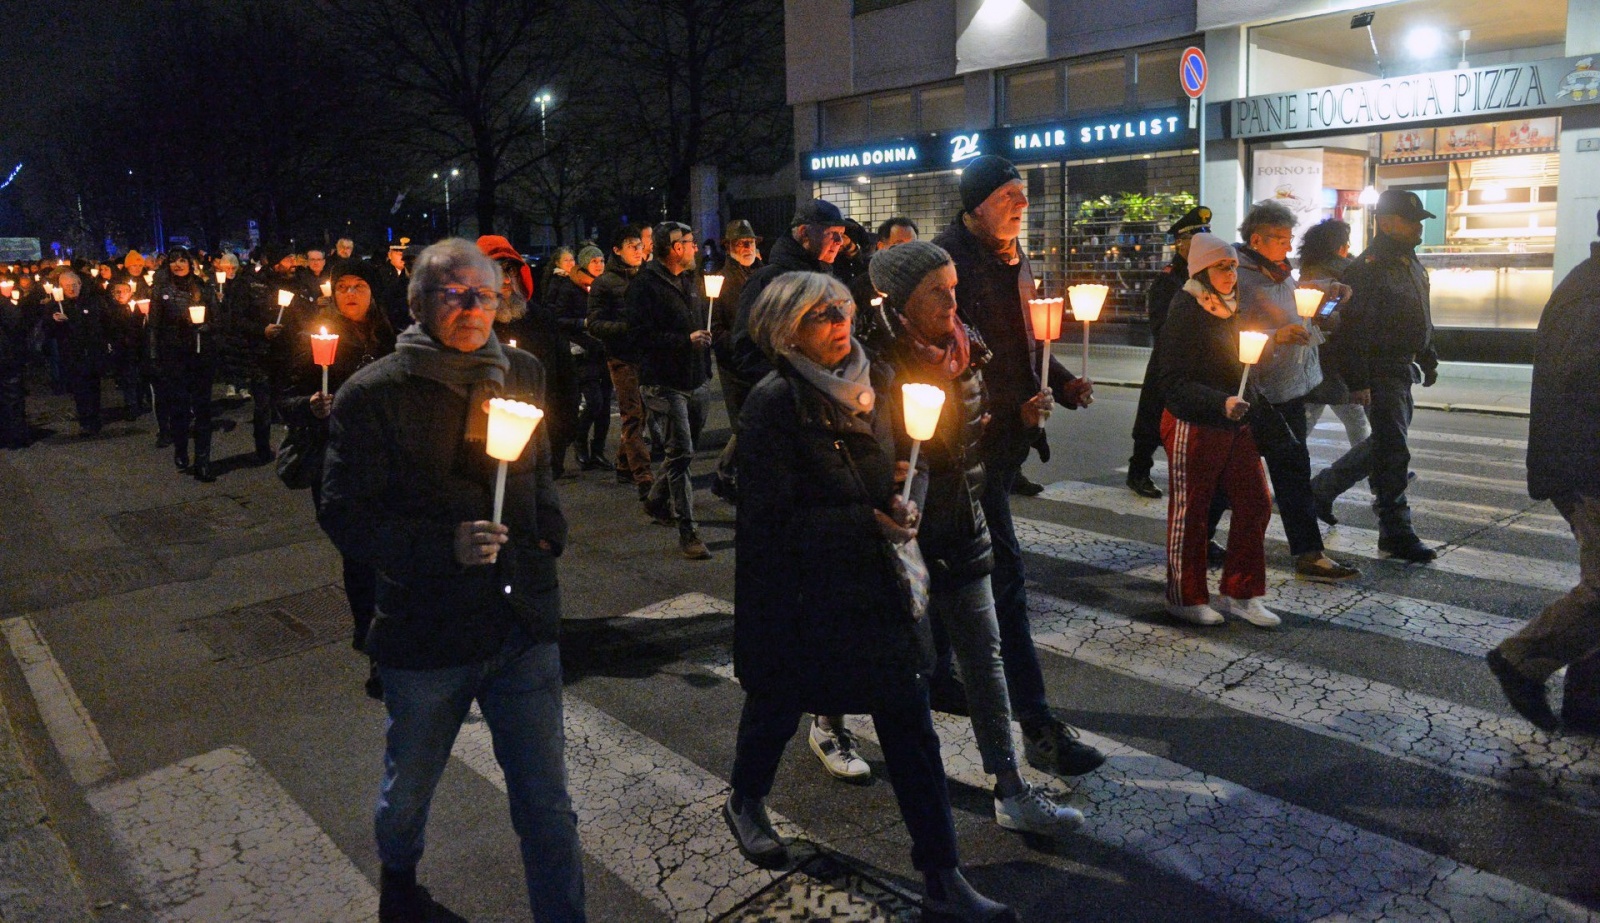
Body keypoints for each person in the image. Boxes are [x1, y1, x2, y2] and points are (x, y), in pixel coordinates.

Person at [726, 270, 1015, 923]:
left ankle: (942, 876)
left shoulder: (877, 381)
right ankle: (745, 798)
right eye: (822, 314)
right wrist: (869, 521)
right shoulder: (775, 403)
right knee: (776, 703)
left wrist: (909, 491)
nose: (840, 322)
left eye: (845, 309)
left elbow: (907, 462)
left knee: (910, 725)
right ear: (785, 330)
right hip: (805, 596)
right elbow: (768, 522)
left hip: (877, 591)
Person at [318, 239, 586, 923]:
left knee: (548, 804)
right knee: (408, 789)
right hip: (428, 632)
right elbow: (346, 514)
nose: (473, 307)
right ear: (417, 302)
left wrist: (549, 529)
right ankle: (400, 878)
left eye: (485, 295)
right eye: (454, 293)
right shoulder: (372, 394)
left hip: (521, 619)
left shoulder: (521, 369)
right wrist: (444, 545)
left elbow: (541, 461)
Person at [876, 241, 1084, 837]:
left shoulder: (964, 347)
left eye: (953, 287)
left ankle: (1010, 788)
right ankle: (841, 729)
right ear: (901, 300)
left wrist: (1017, 420)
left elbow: (971, 441)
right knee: (900, 667)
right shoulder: (877, 361)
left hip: (963, 519)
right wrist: (887, 489)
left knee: (985, 658)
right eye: (935, 291)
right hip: (905, 536)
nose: (951, 300)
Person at [931, 155, 1104, 777]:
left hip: (1005, 441)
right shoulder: (945, 264)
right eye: (1010, 195)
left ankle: (934, 671)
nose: (1021, 205)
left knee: (949, 569)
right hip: (962, 444)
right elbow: (954, 361)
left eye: (1023, 194)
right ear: (977, 201)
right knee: (1003, 579)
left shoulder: (1015, 258)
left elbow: (1026, 341)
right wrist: (1013, 405)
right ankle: (1035, 724)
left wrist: (1059, 378)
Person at [1487, 209, 1600, 735]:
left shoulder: (1587, 280)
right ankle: (1521, 659)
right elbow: (1584, 383)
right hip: (1587, 465)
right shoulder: (1590, 294)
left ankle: (1587, 703)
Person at [278, 258, 394, 700]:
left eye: (359, 285)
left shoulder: (392, 334)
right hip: (337, 460)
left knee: (388, 553)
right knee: (358, 554)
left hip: (387, 458)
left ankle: (384, 642)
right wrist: (309, 403)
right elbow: (283, 397)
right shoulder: (314, 337)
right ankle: (371, 638)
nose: (350, 292)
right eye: (342, 285)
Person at [1229, 201, 1359, 583]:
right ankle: (1306, 553)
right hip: (1259, 393)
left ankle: (1308, 552)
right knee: (1246, 475)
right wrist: (1275, 337)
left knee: (1291, 472)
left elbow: (1294, 304)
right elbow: (1224, 335)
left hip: (1290, 388)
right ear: (1257, 238)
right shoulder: (1236, 275)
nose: (1287, 247)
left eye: (1289, 239)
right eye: (1280, 239)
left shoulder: (1278, 272)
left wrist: (1324, 294)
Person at [1309, 190, 1440, 563]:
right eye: (1411, 220)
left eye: (1420, 221)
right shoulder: (1366, 268)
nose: (1418, 228)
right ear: (1385, 223)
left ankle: (1320, 490)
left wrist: (1428, 355)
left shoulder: (1411, 264)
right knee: (1393, 450)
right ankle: (1395, 530)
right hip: (1379, 369)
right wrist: (1359, 381)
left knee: (1385, 442)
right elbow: (1354, 330)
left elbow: (1422, 314)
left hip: (1403, 366)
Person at [1156, 233, 1279, 628]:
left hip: (1235, 421)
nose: (1231, 274)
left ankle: (1242, 593)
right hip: (1195, 422)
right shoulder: (1186, 308)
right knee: (1191, 510)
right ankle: (1185, 596)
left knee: (1257, 500)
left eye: (1233, 267)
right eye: (1222, 267)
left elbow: (1243, 361)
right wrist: (1219, 402)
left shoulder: (1235, 306)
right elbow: (1173, 381)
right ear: (1202, 270)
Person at [624, 221, 714, 560]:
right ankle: (688, 530)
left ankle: (656, 499)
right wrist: (684, 341)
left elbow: (699, 322)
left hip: (696, 379)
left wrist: (704, 350)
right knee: (683, 454)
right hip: (664, 382)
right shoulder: (644, 286)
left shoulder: (690, 280)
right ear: (675, 248)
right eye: (689, 243)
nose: (695, 248)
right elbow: (639, 337)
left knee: (682, 453)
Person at [1128, 205, 1211, 499]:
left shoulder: (1208, 276)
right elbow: (1160, 328)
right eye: (1196, 242)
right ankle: (1138, 471)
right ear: (1181, 245)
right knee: (1152, 418)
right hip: (1169, 361)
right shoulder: (1169, 280)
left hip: (1202, 363)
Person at [727, 199, 848, 391]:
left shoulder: (829, 281)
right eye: (832, 234)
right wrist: (793, 387)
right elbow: (747, 352)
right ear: (804, 233)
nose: (839, 242)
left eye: (841, 235)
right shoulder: (767, 282)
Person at [587, 225, 652, 496]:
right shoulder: (605, 282)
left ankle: (624, 464)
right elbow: (594, 323)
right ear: (617, 250)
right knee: (632, 414)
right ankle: (643, 475)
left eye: (640, 246)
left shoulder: (646, 277)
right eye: (632, 247)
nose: (638, 251)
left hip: (646, 354)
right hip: (621, 356)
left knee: (643, 412)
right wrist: (626, 329)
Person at [230, 244, 311, 462]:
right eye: (288, 259)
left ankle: (294, 444)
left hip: (288, 352)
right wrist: (262, 331)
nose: (293, 264)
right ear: (275, 263)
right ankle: (263, 448)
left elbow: (301, 315)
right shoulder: (252, 284)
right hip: (262, 354)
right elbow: (236, 318)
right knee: (264, 404)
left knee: (288, 400)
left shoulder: (295, 284)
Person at [1296, 218, 1370, 456]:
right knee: (1352, 419)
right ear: (1339, 245)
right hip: (1336, 357)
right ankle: (1375, 475)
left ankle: (1375, 474)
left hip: (1317, 356)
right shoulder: (1348, 272)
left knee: (1315, 418)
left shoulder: (1308, 272)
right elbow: (1349, 320)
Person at [148, 248, 221, 482]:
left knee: (202, 410)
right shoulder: (161, 290)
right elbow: (154, 327)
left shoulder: (203, 287)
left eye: (182, 260)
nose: (178, 265)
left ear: (190, 263)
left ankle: (203, 461)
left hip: (200, 356)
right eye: (173, 261)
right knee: (179, 409)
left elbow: (217, 319)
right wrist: (154, 357)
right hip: (174, 357)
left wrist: (205, 327)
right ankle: (181, 449)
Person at [708, 219, 764, 502]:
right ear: (729, 247)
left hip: (761, 359)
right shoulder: (720, 280)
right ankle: (729, 475)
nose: (747, 247)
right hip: (736, 363)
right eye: (742, 243)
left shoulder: (762, 274)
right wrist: (737, 345)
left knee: (753, 422)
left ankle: (727, 473)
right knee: (746, 423)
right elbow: (714, 327)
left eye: (751, 242)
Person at [557, 245, 612, 471]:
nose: (599, 265)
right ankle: (580, 442)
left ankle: (598, 451)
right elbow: (559, 319)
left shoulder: (606, 286)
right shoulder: (570, 289)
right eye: (594, 261)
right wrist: (584, 323)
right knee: (594, 401)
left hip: (605, 350)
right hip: (583, 352)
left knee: (606, 405)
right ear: (584, 265)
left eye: (601, 260)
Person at [47, 272, 113, 435]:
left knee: (94, 386)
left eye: (74, 284)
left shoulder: (93, 301)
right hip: (72, 353)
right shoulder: (56, 305)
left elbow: (104, 323)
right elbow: (49, 331)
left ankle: (95, 418)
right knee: (79, 388)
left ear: (80, 284)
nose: (71, 288)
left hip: (92, 351)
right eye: (67, 285)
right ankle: (86, 419)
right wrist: (54, 321)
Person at [849, 216, 919, 355]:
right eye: (899, 244)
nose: (907, 251)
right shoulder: (863, 285)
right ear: (881, 247)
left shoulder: (923, 281)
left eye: (913, 245)